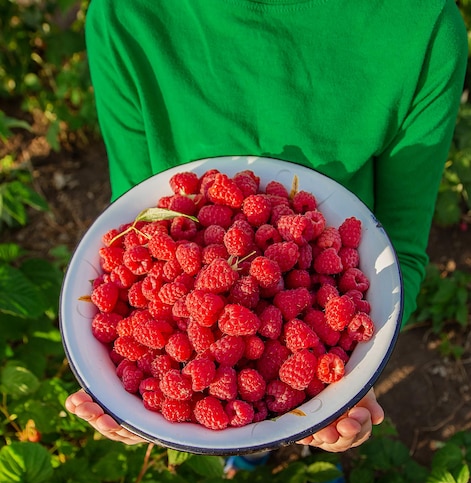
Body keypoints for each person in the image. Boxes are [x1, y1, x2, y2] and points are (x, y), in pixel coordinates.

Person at [65, 0, 467, 454]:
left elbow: (400, 251)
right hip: (237, 355)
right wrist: (138, 391)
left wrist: (350, 377)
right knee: (251, 432)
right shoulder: (123, 15)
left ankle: (292, 456)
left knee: (294, 422)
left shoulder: (422, 28)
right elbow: (138, 225)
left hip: (316, 309)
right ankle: (249, 455)